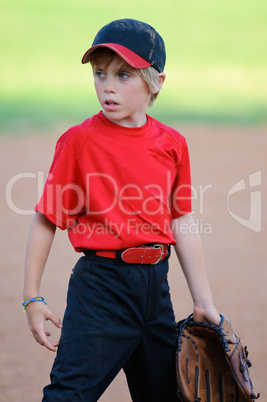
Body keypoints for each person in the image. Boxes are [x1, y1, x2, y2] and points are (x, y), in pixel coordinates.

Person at [23, 18, 220, 402]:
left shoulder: (172, 144)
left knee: (165, 393)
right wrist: (32, 296)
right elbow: (48, 218)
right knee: (69, 394)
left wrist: (203, 302)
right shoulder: (79, 142)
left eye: (124, 74)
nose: (107, 86)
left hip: (155, 290)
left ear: (156, 82)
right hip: (101, 288)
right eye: (100, 74)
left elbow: (180, 220)